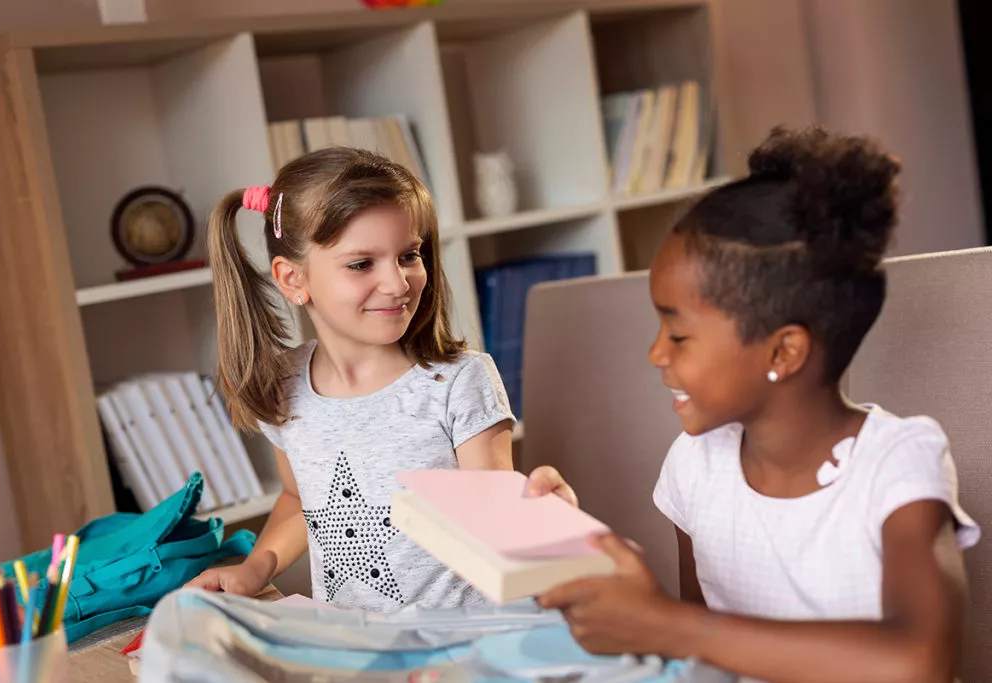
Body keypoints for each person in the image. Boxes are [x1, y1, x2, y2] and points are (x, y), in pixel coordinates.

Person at [537, 127, 980, 683]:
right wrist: (570, 548)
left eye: (677, 334)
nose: (655, 353)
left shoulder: (897, 463)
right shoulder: (696, 464)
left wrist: (664, 623)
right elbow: (701, 659)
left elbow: (920, 662)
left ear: (783, 351)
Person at [187, 147, 573, 611]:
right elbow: (298, 497)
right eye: (361, 264)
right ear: (292, 279)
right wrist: (256, 567)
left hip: (464, 650)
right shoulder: (287, 385)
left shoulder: (458, 383)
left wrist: (546, 521)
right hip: (359, 651)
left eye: (409, 255)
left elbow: (496, 526)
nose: (397, 283)